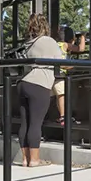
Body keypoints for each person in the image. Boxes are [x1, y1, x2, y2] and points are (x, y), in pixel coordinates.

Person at [16, 13, 61, 167]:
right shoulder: (49, 41)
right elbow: (61, 62)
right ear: (45, 26)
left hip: (23, 84)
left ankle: (25, 159)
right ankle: (34, 160)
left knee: (25, 123)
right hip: (39, 85)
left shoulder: (28, 43)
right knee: (36, 123)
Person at [52, 25, 86, 125]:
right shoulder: (65, 45)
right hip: (60, 73)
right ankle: (63, 117)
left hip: (52, 72)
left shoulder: (55, 44)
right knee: (61, 95)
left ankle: (60, 115)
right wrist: (83, 36)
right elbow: (81, 49)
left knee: (57, 96)